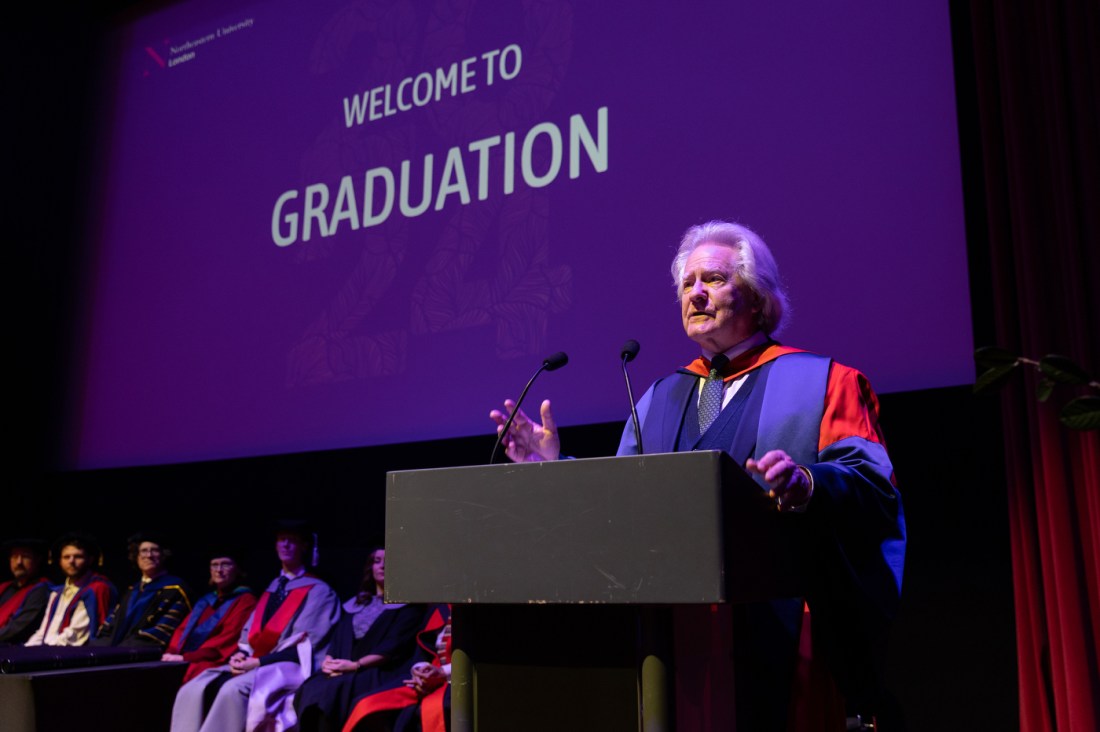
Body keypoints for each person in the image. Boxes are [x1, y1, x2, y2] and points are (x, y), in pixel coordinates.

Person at [490, 220, 906, 729]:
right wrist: (551, 466)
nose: (696, 294)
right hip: (675, 639)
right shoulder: (661, 396)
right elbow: (621, 502)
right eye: (687, 284)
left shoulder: (823, 381)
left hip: (784, 630)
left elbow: (871, 483)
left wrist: (808, 483)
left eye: (712, 279)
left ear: (756, 296)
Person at [170, 520, 341, 732]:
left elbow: (305, 645)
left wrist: (257, 662)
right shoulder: (273, 587)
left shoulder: (319, 592)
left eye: (293, 540)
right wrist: (241, 655)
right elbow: (248, 635)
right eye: (281, 539)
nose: (285, 545)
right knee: (193, 687)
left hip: (292, 665)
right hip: (258, 662)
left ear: (305, 546)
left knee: (233, 690)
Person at [295, 548, 425, 732]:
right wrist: (328, 661)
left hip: (380, 670)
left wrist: (356, 665)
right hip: (348, 667)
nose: (383, 565)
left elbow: (394, 646)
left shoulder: (408, 608)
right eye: (377, 560)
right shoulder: (355, 604)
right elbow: (338, 638)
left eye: (389, 561)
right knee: (312, 686)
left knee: (333, 691)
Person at [340, 604, 452, 732]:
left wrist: (443, 672)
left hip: (461, 677)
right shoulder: (440, 607)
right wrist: (420, 670)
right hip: (431, 672)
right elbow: (424, 651)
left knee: (428, 712)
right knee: (366, 705)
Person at [162, 548, 257, 684]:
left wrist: (185, 658)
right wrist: (172, 652)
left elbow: (227, 638)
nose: (219, 570)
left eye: (225, 564)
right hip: (187, 658)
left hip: (215, 661)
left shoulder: (246, 600)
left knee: (194, 673)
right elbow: (182, 630)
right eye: (214, 565)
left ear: (237, 570)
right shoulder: (205, 601)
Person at [93, 532, 191, 647]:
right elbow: (110, 625)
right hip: (119, 654)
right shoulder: (132, 590)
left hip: (147, 656)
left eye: (154, 550)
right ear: (137, 556)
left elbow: (162, 631)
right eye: (144, 551)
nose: (149, 555)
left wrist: (121, 650)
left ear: (163, 555)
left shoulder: (175, 590)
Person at [25, 533, 116, 646]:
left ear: (90, 559)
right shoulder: (56, 593)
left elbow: (74, 635)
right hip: (50, 650)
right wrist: (27, 649)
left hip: (73, 655)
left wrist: (43, 650)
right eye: (66, 557)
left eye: (78, 556)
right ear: (60, 561)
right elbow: (43, 633)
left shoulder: (96, 589)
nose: (71, 561)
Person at [0, 538, 50, 644]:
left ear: (37, 560)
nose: (19, 562)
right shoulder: (4, 588)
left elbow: (19, 627)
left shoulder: (41, 589)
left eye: (25, 557)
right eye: (15, 557)